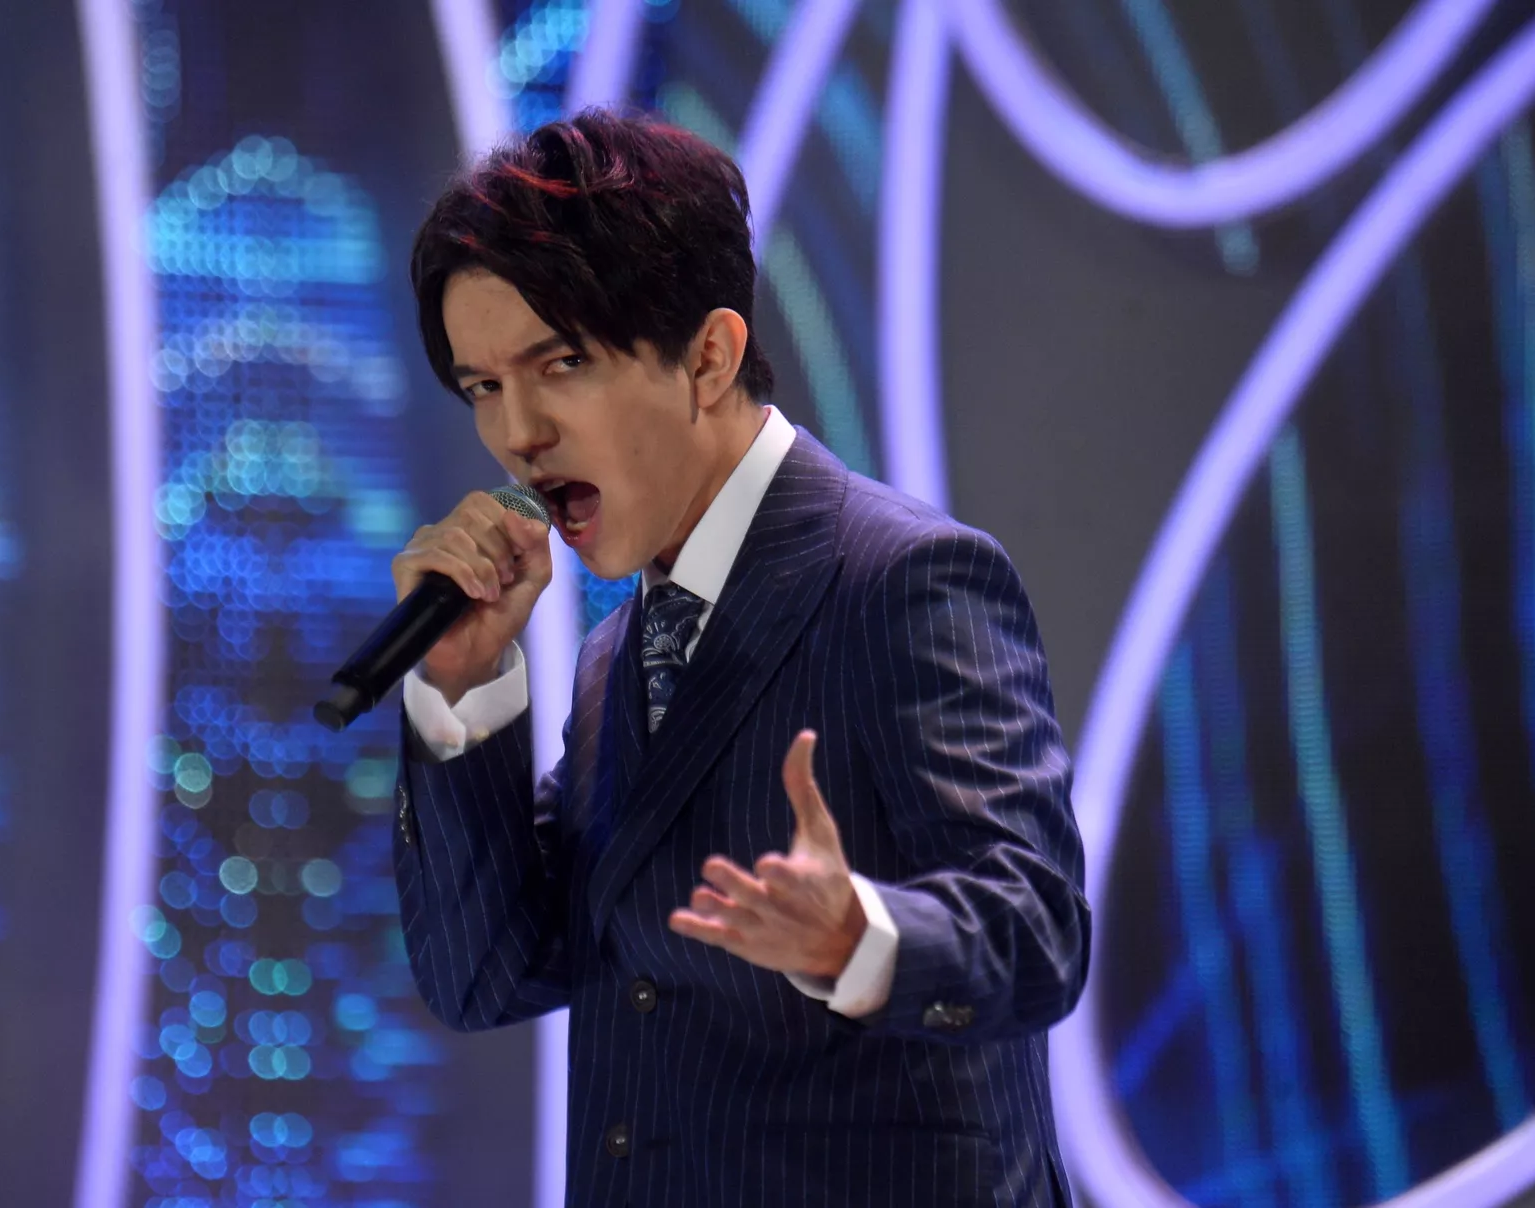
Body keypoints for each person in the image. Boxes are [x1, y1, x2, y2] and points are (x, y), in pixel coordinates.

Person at [389, 109, 1088, 1207]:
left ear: (709, 356)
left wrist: (861, 935)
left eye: (560, 363)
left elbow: (1038, 932)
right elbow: (485, 976)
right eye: (483, 386)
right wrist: (462, 683)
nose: (518, 433)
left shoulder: (903, 578)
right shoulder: (619, 654)